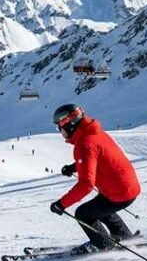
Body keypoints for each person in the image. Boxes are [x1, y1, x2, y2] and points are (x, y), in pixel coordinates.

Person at [49, 103, 141, 252]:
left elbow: (86, 185)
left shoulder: (85, 144)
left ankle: (103, 244)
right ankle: (123, 236)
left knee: (83, 213)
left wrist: (61, 204)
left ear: (69, 123)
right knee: (100, 206)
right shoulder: (94, 133)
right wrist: (74, 167)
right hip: (126, 187)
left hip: (119, 192)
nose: (60, 131)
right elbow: (95, 158)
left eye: (59, 126)